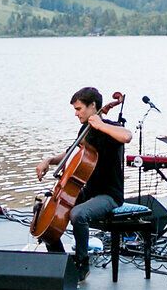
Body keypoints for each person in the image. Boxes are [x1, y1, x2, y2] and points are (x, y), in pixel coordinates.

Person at [34, 86, 132, 279]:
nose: (76, 114)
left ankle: (82, 263)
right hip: (88, 190)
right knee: (44, 209)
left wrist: (100, 124)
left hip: (109, 194)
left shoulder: (110, 129)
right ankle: (59, 261)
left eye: (79, 109)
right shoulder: (85, 130)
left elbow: (127, 136)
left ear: (93, 106)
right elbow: (71, 152)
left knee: (78, 214)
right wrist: (49, 160)